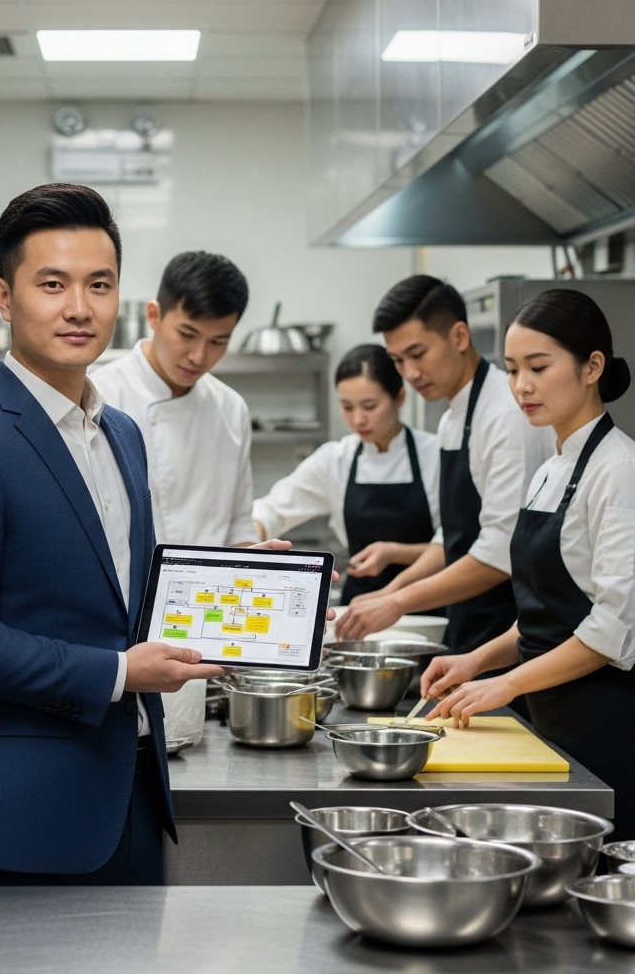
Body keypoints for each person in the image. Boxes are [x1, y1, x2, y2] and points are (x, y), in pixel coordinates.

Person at [0, 183, 295, 886]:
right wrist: (118, 674)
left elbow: (123, 600)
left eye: (99, 284)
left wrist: (239, 595)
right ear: (4, 296)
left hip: (136, 793)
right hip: (26, 818)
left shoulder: (121, 434)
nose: (80, 307)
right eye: (52, 284)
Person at [422, 289, 635, 838]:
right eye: (513, 369)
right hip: (550, 722)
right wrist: (476, 661)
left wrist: (509, 683)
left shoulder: (619, 470)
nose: (521, 386)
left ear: (592, 367)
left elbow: (611, 630)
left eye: (538, 368)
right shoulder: (550, 470)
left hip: (606, 726)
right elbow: (545, 616)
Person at [91, 250, 256, 744]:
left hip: (200, 639)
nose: (199, 357)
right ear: (154, 315)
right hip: (114, 646)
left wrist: (262, 581)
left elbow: (238, 530)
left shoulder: (230, 409)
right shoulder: (98, 393)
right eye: (187, 334)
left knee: (181, 761)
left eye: (218, 341)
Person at [337, 277, 553, 652]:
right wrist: (390, 591)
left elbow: (499, 552)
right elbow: (453, 538)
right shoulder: (452, 419)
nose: (410, 373)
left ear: (459, 336)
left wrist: (398, 602)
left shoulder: (505, 414)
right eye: (398, 360)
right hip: (470, 624)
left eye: (417, 354)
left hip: (512, 629)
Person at [254, 343, 441, 605]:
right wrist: (250, 540)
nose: (358, 420)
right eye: (347, 407)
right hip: (359, 607)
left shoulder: (435, 454)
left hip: (430, 605)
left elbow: (459, 544)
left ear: (399, 398)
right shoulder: (335, 460)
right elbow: (271, 510)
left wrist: (394, 553)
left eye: (369, 406)